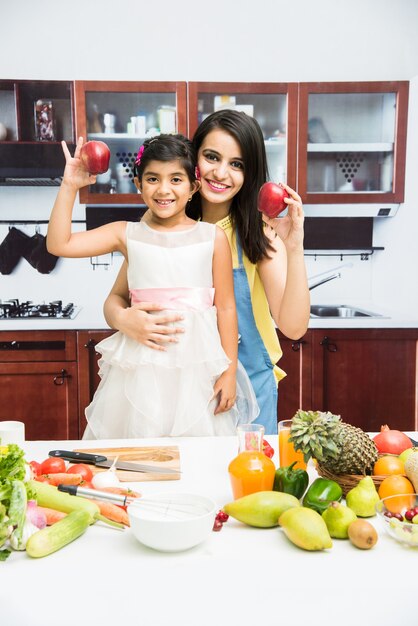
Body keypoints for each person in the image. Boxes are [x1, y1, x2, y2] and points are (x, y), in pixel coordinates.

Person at [103, 110, 310, 435]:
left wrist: (294, 246)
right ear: (192, 160)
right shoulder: (160, 224)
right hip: (173, 387)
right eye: (212, 157)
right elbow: (116, 299)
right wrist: (123, 319)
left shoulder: (259, 234)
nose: (221, 172)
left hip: (248, 390)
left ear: (250, 172)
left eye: (237, 164)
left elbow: (294, 327)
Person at [47, 133, 258, 438]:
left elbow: (225, 307)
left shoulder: (212, 237)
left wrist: (228, 372)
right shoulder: (126, 234)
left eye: (175, 179)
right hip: (140, 370)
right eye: (152, 179)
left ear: (193, 187)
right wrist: (69, 186)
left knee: (197, 455)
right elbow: (59, 243)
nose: (163, 189)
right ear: (138, 185)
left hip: (195, 372)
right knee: (138, 453)